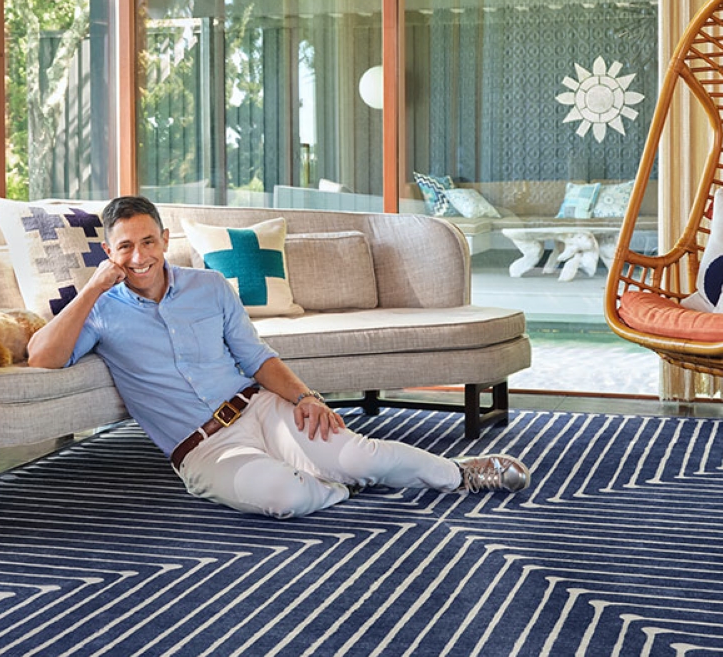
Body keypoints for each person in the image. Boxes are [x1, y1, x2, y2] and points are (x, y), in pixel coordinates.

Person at [28, 195, 530, 519]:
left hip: (260, 409)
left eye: (148, 241)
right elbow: (42, 357)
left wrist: (306, 397)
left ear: (163, 239)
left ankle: (460, 473)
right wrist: (92, 288)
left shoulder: (209, 287)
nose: (139, 256)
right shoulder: (98, 310)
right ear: (110, 252)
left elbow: (255, 356)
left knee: (360, 453)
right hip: (203, 450)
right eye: (125, 247)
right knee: (284, 498)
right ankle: (333, 484)